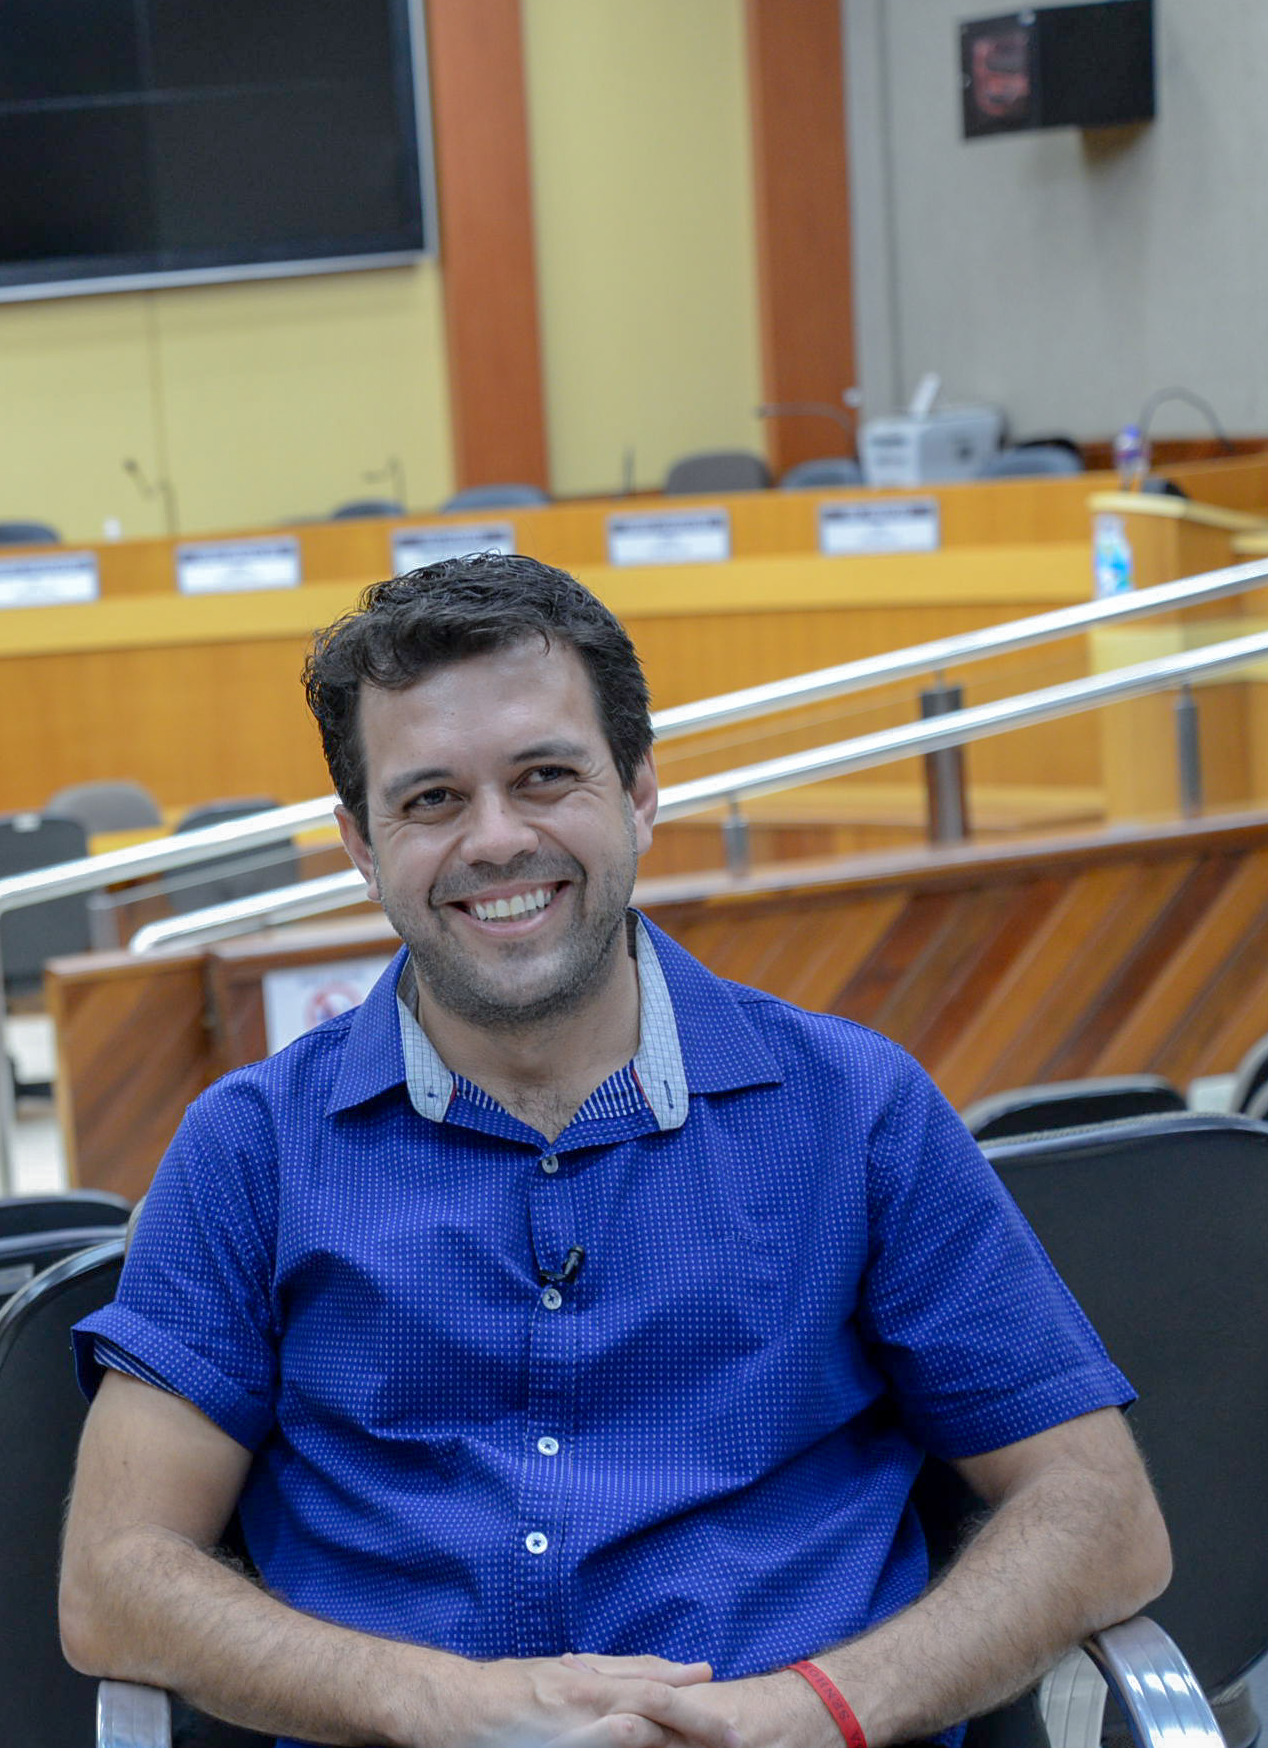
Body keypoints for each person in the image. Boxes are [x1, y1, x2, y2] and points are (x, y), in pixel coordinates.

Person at [57, 554, 1169, 1748]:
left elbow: (1099, 1515)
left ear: (638, 793)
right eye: (429, 800)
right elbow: (114, 1580)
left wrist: (801, 1715)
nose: (495, 839)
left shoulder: (856, 1110)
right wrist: (444, 1707)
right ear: (360, 845)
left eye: (544, 777)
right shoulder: (250, 1149)